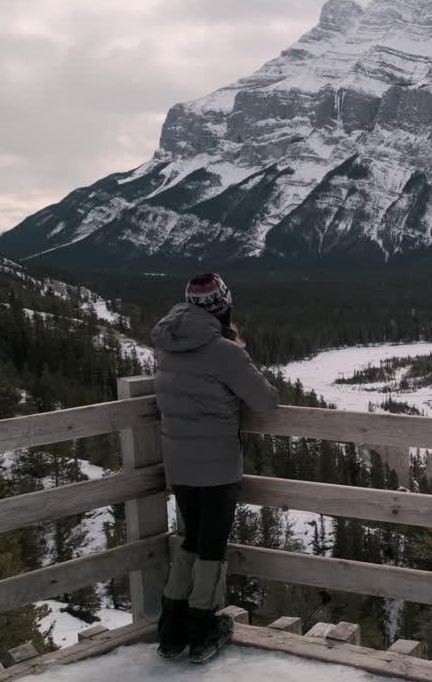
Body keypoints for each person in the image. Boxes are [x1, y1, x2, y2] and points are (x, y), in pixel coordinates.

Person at [150, 273, 279, 663]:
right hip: (218, 465)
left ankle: (171, 632)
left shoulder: (167, 344)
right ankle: (202, 630)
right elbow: (266, 401)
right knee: (211, 548)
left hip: (179, 464)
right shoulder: (225, 351)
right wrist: (240, 351)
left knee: (191, 539)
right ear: (224, 306)